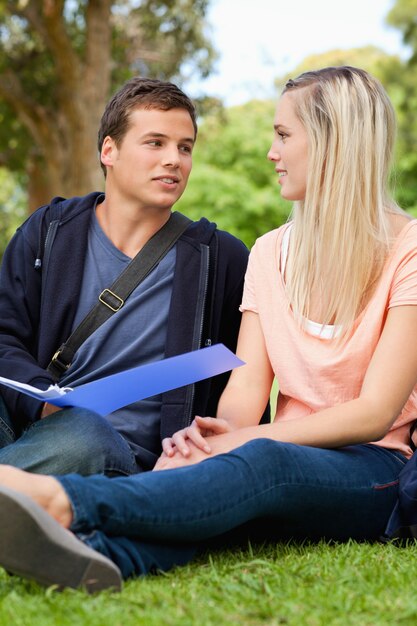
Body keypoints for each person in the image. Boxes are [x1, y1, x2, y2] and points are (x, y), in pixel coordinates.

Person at [0, 65, 415, 593]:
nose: (271, 152)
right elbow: (246, 383)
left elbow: (375, 412)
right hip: (272, 449)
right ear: (109, 150)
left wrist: (242, 441)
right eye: (155, 143)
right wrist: (203, 442)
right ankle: (90, 556)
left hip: (369, 462)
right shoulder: (270, 252)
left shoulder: (409, 252)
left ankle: (57, 501)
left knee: (256, 464)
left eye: (284, 135)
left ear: (335, 143)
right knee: (216, 495)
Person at [0, 77, 251, 476]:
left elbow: (246, 380)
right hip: (29, 423)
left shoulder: (221, 258)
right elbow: (4, 336)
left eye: (185, 147)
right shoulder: (48, 231)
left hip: (118, 455)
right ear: (109, 151)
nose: (174, 159)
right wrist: (45, 402)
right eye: (156, 143)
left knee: (83, 436)